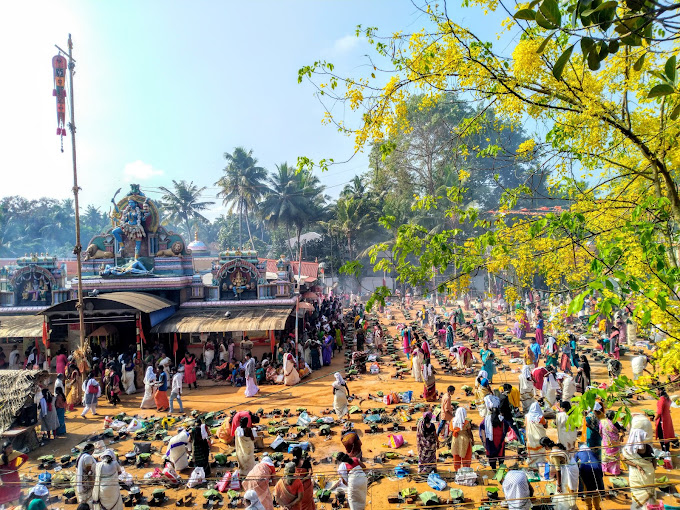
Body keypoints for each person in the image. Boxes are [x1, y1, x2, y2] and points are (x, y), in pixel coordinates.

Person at [622, 426, 657, 510]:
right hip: (648, 474)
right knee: (648, 494)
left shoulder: (629, 449)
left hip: (635, 474)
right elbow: (654, 460)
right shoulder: (648, 447)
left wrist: (636, 466)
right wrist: (651, 469)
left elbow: (624, 459)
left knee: (637, 494)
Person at [541, 438, 578, 510]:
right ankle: (572, 506)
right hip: (572, 466)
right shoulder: (557, 446)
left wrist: (559, 485)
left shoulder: (554, 454)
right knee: (568, 490)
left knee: (563, 490)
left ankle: (567, 507)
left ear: (546, 446)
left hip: (568, 471)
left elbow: (558, 469)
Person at [479, 395, 508, 469]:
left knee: (492, 458)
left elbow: (482, 429)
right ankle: (501, 469)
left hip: (490, 442)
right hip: (500, 441)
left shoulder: (486, 420)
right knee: (500, 456)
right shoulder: (502, 420)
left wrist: (484, 441)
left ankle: (493, 469)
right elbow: (507, 429)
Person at [574, 444, 605, 510]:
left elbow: (574, 464)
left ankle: (589, 507)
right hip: (597, 470)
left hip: (585, 471)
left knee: (586, 489)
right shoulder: (593, 453)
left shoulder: (578, 453)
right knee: (597, 488)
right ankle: (597, 507)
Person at [0, 440, 28, 505]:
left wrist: (18, 466)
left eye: (11, 447)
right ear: (4, 449)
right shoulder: (0, 458)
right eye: (8, 448)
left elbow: (25, 457)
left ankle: (16, 506)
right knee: (6, 497)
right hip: (5, 479)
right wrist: (1, 481)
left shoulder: (15, 453)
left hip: (14, 477)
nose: (11, 449)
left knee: (15, 495)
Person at [599, 410, 623, 475]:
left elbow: (600, 432)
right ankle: (615, 473)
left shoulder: (602, 422)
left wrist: (604, 437)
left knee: (605, 457)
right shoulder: (615, 423)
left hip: (605, 443)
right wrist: (621, 436)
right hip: (615, 444)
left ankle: (604, 472)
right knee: (615, 458)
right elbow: (622, 431)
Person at [525, 402, 547, 467]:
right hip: (540, 436)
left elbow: (526, 425)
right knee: (540, 450)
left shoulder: (527, 416)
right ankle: (540, 464)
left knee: (532, 451)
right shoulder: (540, 417)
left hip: (531, 436)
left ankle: (532, 465)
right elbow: (545, 425)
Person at [654, 386, 674, 452]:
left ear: (660, 391)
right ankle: (667, 450)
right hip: (667, 418)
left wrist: (655, 418)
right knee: (666, 435)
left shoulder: (661, 399)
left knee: (662, 435)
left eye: (656, 390)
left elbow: (659, 412)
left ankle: (664, 451)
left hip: (662, 420)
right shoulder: (667, 398)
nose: (656, 392)